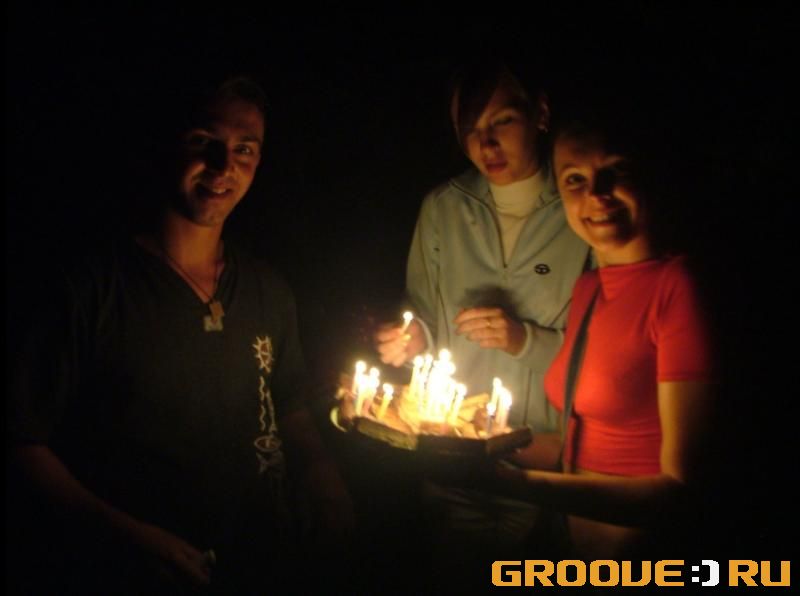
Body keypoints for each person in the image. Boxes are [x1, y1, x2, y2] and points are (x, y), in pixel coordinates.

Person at [7, 74, 354, 594]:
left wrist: (323, 478)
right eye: (203, 141)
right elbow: (22, 442)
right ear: (166, 143)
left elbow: (291, 408)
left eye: (244, 149)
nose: (222, 166)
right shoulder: (91, 289)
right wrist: (120, 536)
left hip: (264, 566)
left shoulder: (268, 290)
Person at [374, 58, 591, 575]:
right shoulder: (443, 210)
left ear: (540, 113)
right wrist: (411, 338)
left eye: (502, 122)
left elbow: (606, 351)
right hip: (455, 459)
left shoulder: (582, 208)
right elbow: (425, 316)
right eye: (470, 129)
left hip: (545, 461)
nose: (486, 144)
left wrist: (524, 340)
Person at [494, 87, 718, 560]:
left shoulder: (678, 287)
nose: (596, 194)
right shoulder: (589, 288)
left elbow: (681, 488)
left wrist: (516, 484)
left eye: (617, 171)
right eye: (574, 179)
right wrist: (475, 444)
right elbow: (579, 446)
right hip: (573, 553)